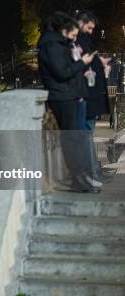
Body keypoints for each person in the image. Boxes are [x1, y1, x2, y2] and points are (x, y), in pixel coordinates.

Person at [37, 12, 100, 192]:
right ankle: (78, 179)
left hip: (66, 96)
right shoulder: (51, 46)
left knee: (72, 139)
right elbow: (62, 72)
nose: (74, 38)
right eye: (73, 35)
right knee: (71, 139)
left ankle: (80, 179)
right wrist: (82, 62)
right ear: (63, 30)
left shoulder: (56, 44)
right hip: (62, 97)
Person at [76, 10, 110, 181]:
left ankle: (92, 170)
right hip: (85, 96)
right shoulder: (77, 42)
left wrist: (99, 63)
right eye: (89, 27)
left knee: (87, 135)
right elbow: (78, 66)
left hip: (90, 95)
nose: (91, 31)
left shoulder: (83, 41)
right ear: (80, 23)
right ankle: (90, 172)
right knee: (85, 135)